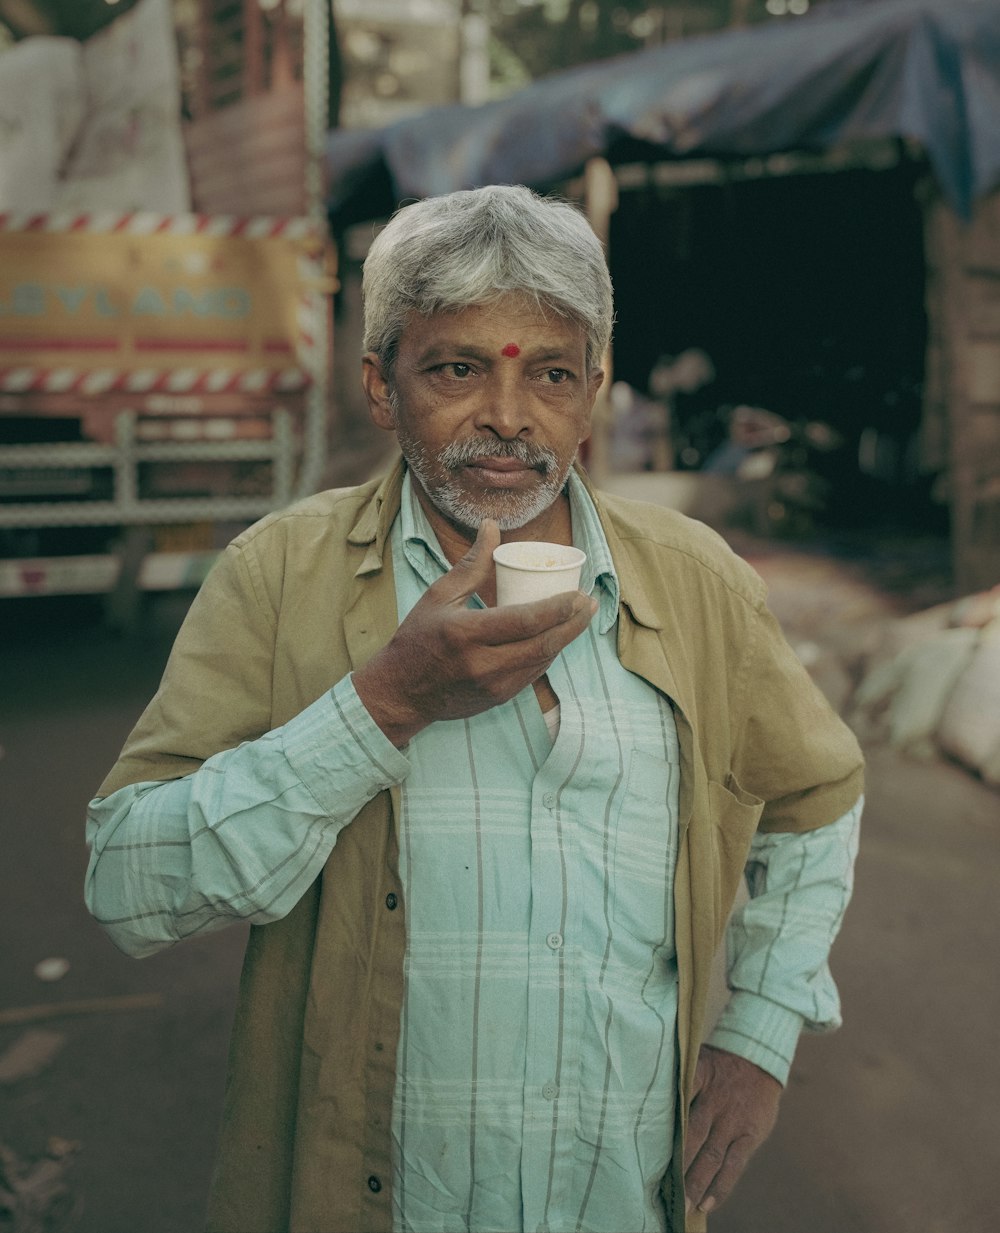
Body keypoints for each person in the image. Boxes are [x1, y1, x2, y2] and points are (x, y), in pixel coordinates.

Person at [85, 185, 864, 1233]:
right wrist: (383, 705)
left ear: (592, 393)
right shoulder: (279, 578)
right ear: (380, 385)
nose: (508, 417)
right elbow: (129, 883)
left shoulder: (696, 583)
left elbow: (815, 793)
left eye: (551, 373)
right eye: (456, 368)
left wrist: (760, 1026)